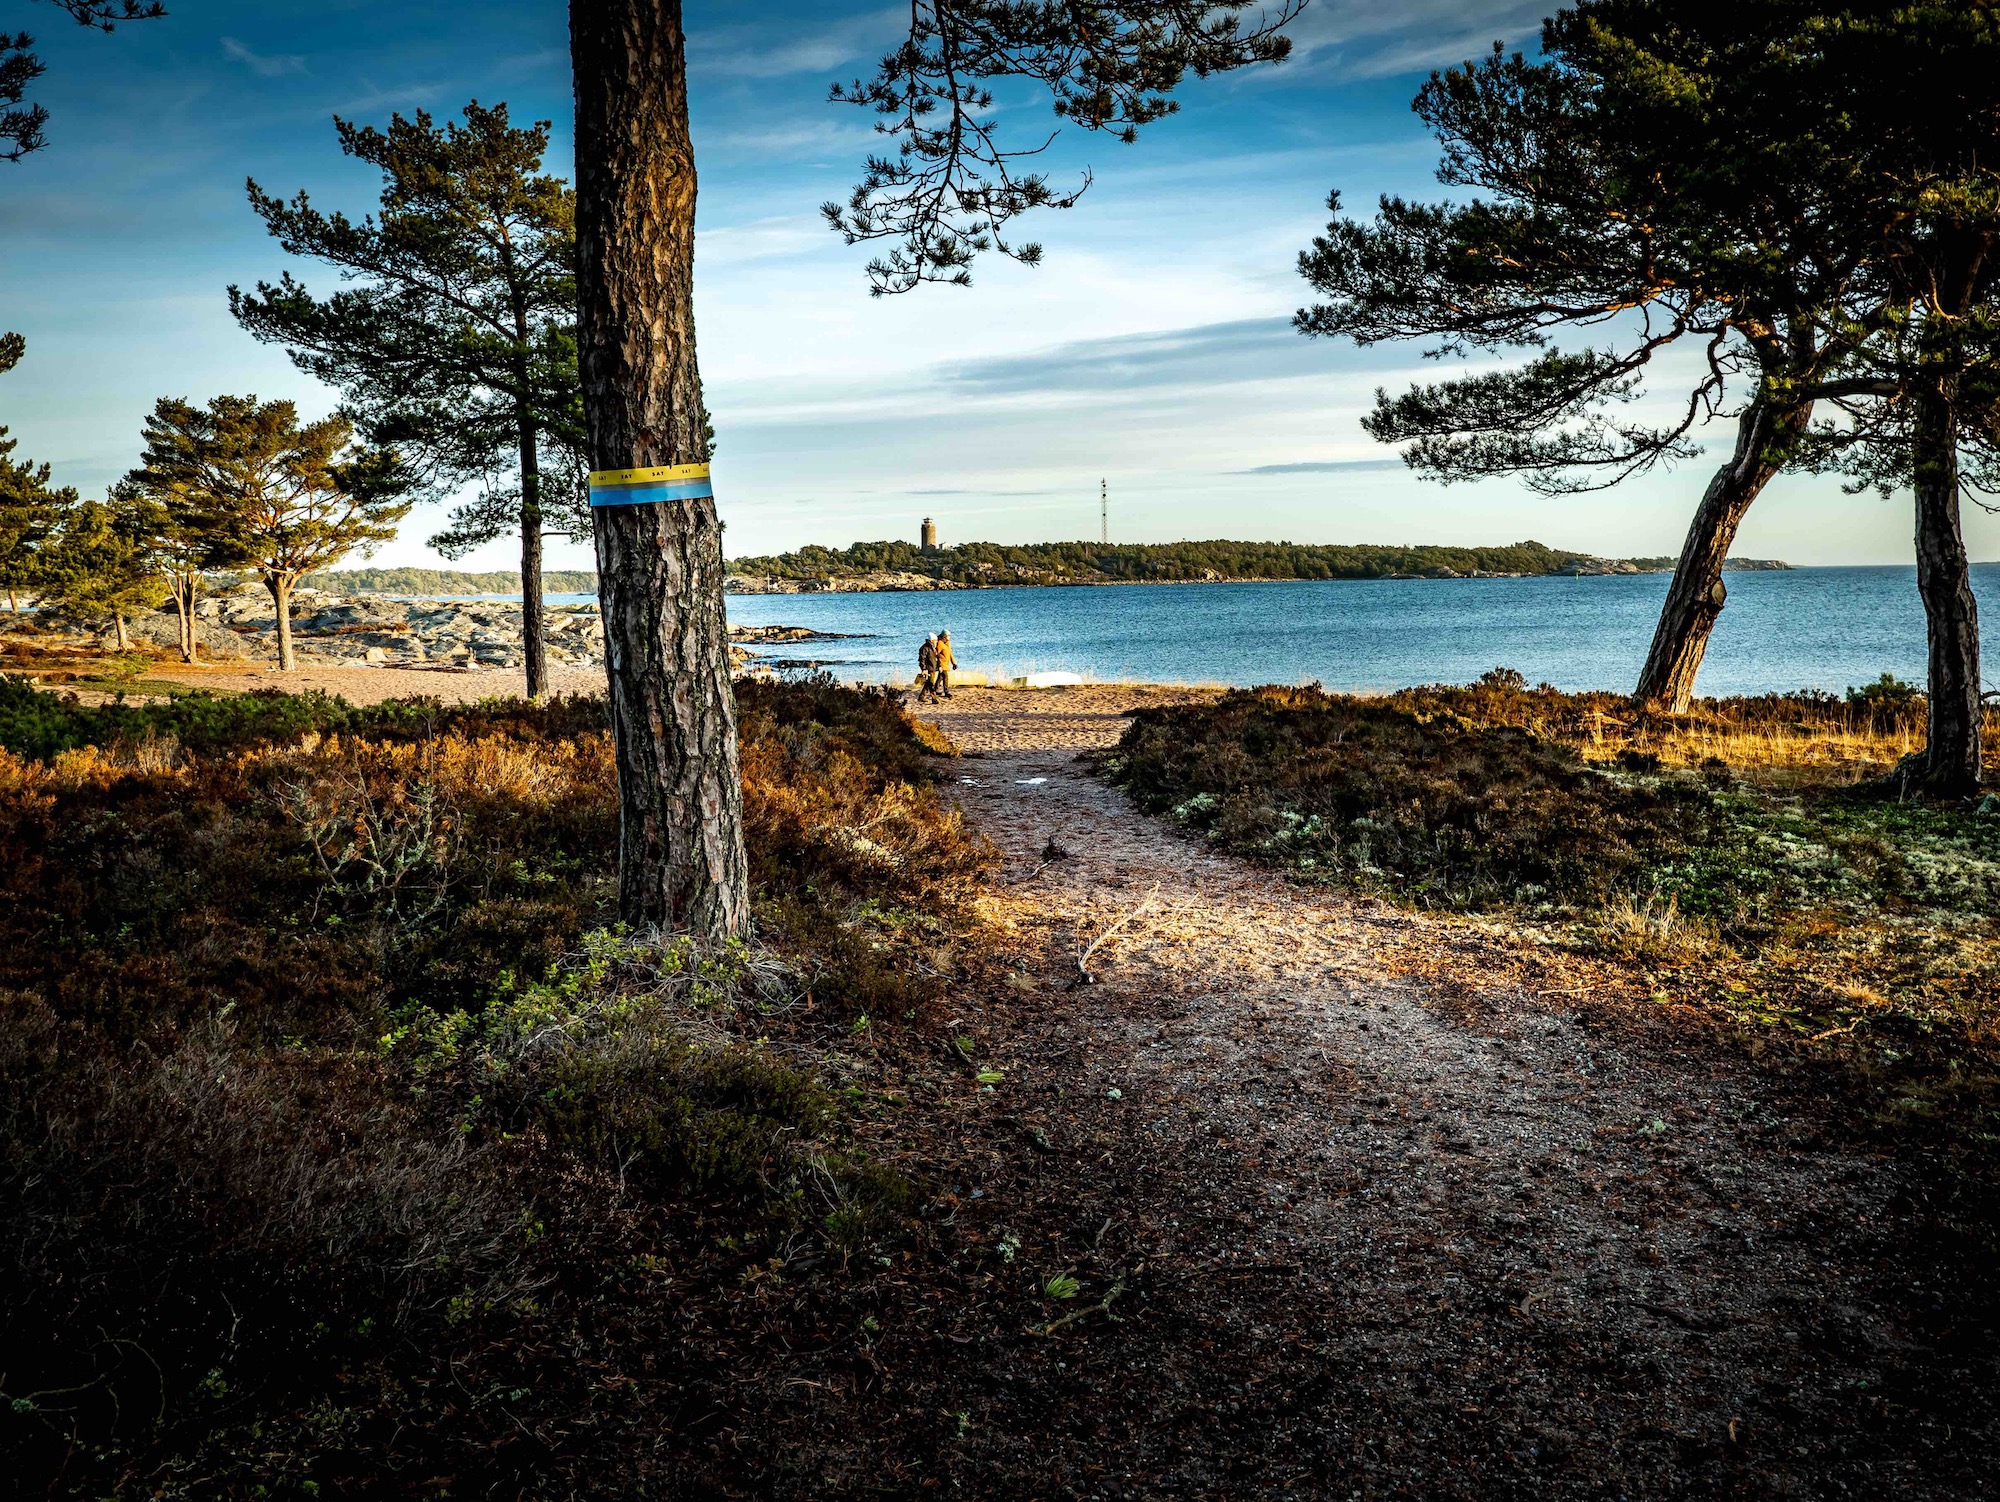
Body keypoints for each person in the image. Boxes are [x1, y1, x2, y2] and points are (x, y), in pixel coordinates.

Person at [916, 633, 939, 702]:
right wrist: (924, 669)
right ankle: (934, 698)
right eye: (935, 640)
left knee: (928, 683)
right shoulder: (924, 648)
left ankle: (921, 697)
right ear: (931, 640)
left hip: (932, 668)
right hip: (929, 669)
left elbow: (934, 658)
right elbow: (922, 659)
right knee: (931, 683)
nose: (936, 642)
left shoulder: (931, 647)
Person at [934, 628, 956, 698]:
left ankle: (934, 690)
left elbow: (950, 653)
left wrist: (954, 663)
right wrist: (939, 665)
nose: (949, 637)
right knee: (945, 677)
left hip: (946, 664)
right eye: (948, 636)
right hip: (942, 664)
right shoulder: (939, 644)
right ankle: (946, 692)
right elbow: (936, 654)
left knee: (940, 677)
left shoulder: (947, 643)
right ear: (944, 636)